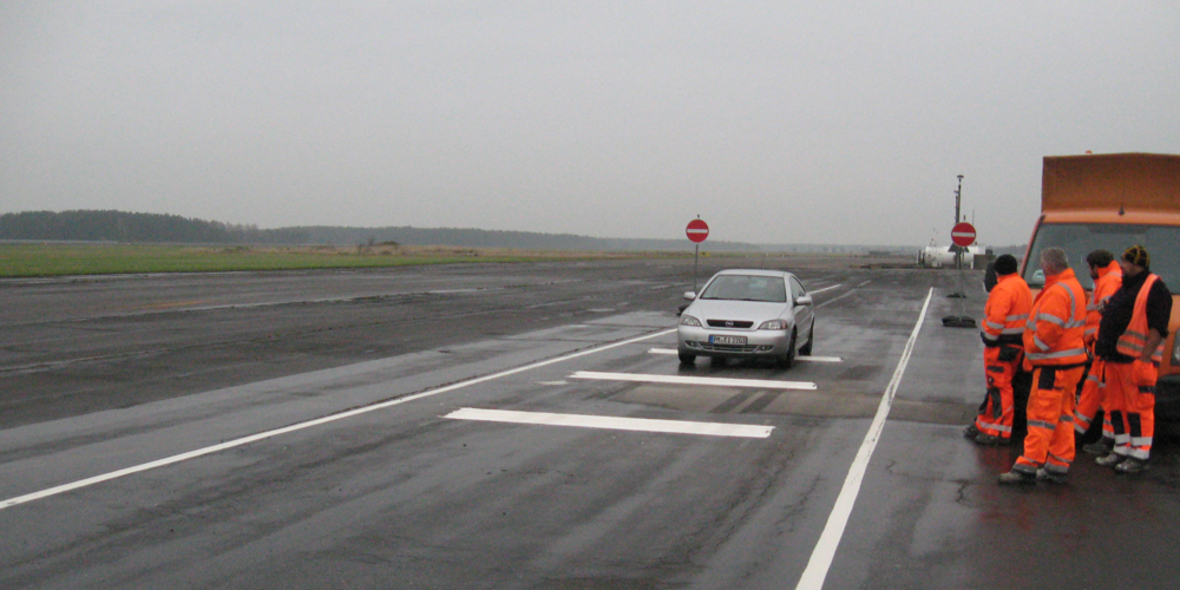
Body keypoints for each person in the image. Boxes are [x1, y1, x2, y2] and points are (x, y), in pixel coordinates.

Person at [999, 248, 1088, 485]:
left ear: (1048, 266)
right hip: (1069, 365)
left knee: (1040, 415)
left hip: (1053, 366)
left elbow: (1048, 333)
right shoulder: (1073, 287)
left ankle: (1028, 465)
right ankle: (1058, 463)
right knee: (1062, 416)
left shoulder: (1058, 292)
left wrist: (1031, 348)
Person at [1092, 245, 1172, 473]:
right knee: (1118, 407)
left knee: (1139, 408)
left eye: (1125, 262)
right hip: (1116, 357)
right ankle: (1122, 447)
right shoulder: (1126, 285)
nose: (1121, 266)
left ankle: (1139, 454)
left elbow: (1159, 327)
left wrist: (1145, 358)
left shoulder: (1155, 288)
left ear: (1137, 264)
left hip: (1136, 360)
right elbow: (1122, 309)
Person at [965, 254, 1031, 445]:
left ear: (997, 271)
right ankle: (984, 424)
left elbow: (995, 321)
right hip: (1017, 345)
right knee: (996, 387)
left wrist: (988, 337)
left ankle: (1000, 431)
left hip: (1001, 346)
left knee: (1000, 388)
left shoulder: (1002, 289)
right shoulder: (1021, 285)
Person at [1073, 250, 1123, 453]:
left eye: (1089, 267)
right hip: (1099, 350)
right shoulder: (1108, 279)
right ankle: (1074, 435)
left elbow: (1107, 317)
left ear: (1095, 267)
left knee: (1108, 397)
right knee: (1091, 394)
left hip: (1103, 349)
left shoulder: (1109, 281)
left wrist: (1096, 340)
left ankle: (1108, 442)